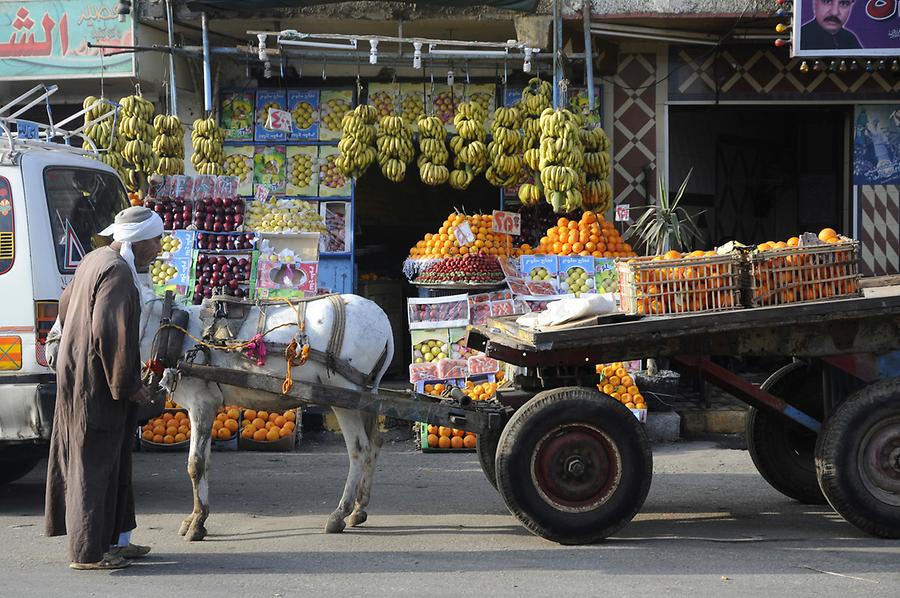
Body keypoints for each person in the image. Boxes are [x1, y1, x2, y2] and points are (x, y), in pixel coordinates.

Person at [44, 206, 163, 570]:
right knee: (93, 463)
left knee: (113, 461)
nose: (158, 247)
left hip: (84, 373)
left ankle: (114, 540)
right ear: (139, 241)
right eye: (155, 240)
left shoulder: (96, 259)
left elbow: (66, 307)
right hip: (95, 382)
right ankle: (87, 552)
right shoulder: (117, 273)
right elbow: (110, 334)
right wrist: (129, 386)